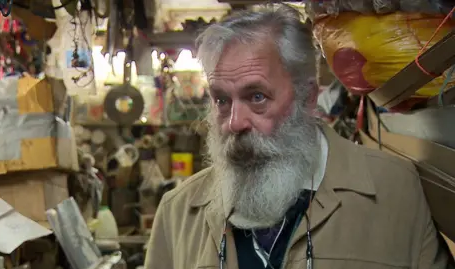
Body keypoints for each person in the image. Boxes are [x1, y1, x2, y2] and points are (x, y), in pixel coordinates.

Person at [145, 4, 453, 269]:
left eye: (256, 97)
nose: (234, 123)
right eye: (221, 100)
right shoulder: (178, 212)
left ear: (307, 98)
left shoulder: (394, 190)